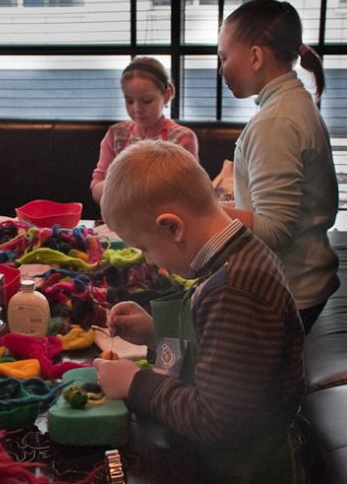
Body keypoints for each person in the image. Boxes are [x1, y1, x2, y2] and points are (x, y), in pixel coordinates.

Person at [93, 140, 305, 483]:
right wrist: (154, 334)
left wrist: (134, 384)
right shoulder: (232, 255)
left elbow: (216, 421)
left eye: (145, 248)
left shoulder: (237, 290)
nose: (149, 260)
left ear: (172, 227)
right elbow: (217, 352)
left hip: (244, 471)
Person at [218, 0, 339, 333]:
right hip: (304, 283)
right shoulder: (293, 104)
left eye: (224, 57)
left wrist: (204, 212)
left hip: (292, 294)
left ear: (256, 57)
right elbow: (267, 210)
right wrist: (222, 207)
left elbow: (274, 230)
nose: (221, 69)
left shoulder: (276, 122)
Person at [90, 56, 198, 203]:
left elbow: (190, 191)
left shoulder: (182, 138)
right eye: (130, 101)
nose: (137, 109)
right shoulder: (116, 135)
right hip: (121, 215)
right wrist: (121, 186)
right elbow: (96, 188)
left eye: (147, 101)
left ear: (166, 96)